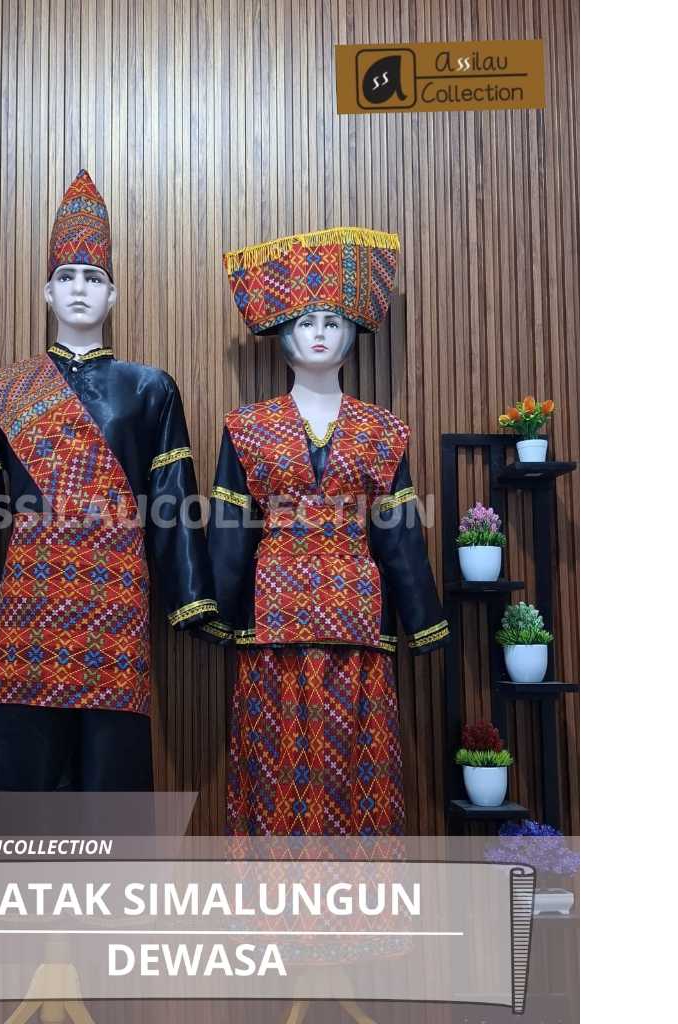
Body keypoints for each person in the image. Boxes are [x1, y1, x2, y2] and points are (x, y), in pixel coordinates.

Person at [0, 170, 216, 793]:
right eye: (66, 277)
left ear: (113, 296)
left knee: (112, 766)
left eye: (93, 277)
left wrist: (190, 596)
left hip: (116, 592)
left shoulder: (150, 388)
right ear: (47, 292)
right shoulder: (6, 389)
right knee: (24, 760)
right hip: (32, 591)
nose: (79, 288)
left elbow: (172, 500)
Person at [206, 226, 448, 835]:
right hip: (272, 622)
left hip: (357, 620)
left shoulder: (383, 429)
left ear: (352, 333)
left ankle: (359, 894)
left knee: (356, 768)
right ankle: (270, 892)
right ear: (283, 332)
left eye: (332, 321)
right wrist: (217, 613)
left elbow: (397, 531)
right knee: (274, 767)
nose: (319, 333)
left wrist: (423, 621)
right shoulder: (247, 426)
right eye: (306, 321)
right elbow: (231, 525)